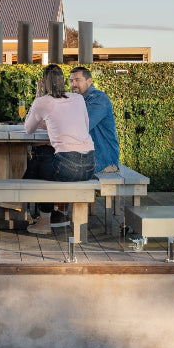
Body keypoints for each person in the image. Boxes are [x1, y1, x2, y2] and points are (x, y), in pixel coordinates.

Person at [22, 64, 95, 228]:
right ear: (63, 80)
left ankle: (37, 215)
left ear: (44, 83)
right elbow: (85, 125)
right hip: (90, 166)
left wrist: (38, 96)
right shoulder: (78, 98)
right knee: (45, 155)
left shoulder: (42, 101)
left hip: (68, 168)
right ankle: (31, 207)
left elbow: (28, 129)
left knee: (40, 155)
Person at [69, 66, 120, 174]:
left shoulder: (98, 99)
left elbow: (81, 127)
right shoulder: (77, 100)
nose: (73, 84)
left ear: (89, 81)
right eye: (71, 81)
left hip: (103, 162)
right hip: (87, 158)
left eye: (77, 80)